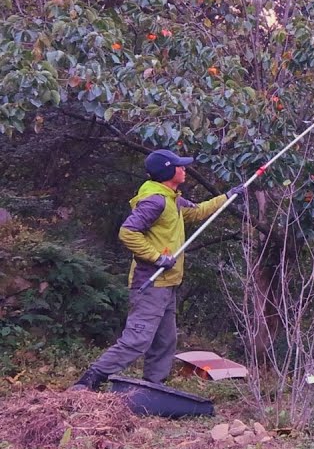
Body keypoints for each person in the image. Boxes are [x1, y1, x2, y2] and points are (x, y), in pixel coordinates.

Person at [68, 149, 245, 391]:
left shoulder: (172, 199)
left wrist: (227, 196)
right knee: (137, 340)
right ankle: (90, 379)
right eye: (180, 166)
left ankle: (153, 386)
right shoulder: (156, 201)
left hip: (168, 283)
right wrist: (156, 258)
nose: (185, 169)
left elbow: (197, 211)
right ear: (168, 171)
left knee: (165, 341)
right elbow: (127, 232)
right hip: (151, 283)